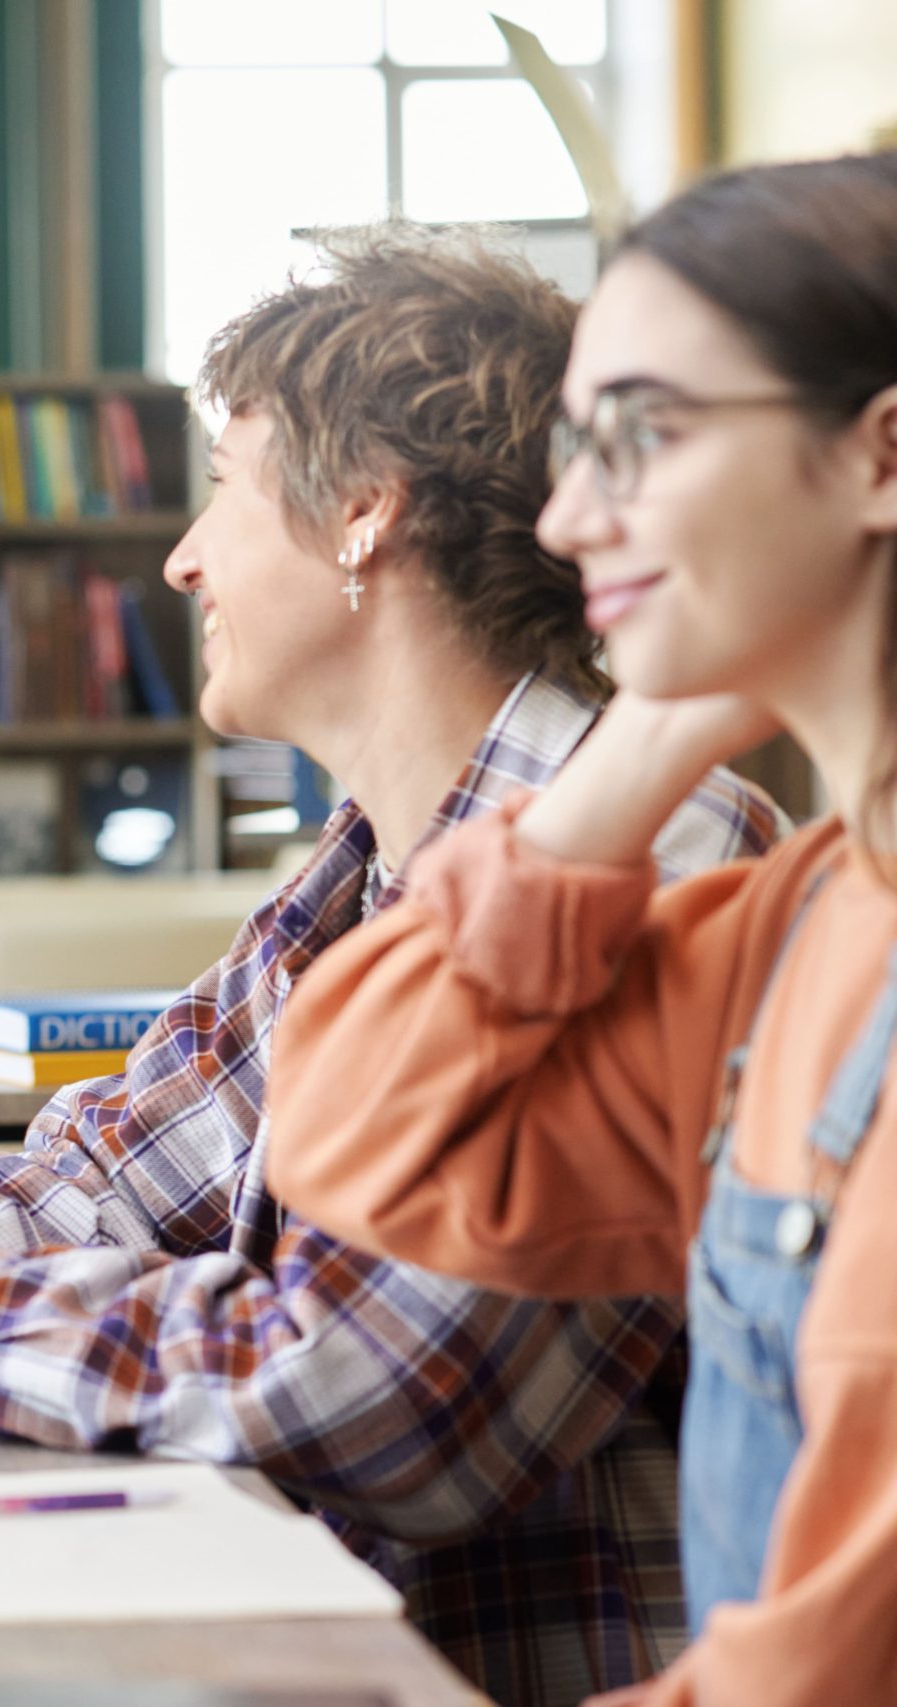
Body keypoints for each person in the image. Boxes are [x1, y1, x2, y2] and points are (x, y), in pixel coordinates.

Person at [0, 227, 784, 1704]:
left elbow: (373, 1395)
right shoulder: (365, 867)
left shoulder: (644, 862)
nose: (183, 554)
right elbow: (113, 1166)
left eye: (223, 489)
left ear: (365, 513)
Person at [266, 155, 897, 1706]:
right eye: (567, 445)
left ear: (883, 455)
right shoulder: (811, 916)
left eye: (641, 435)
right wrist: (632, 755)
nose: (566, 515)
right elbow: (346, 1133)